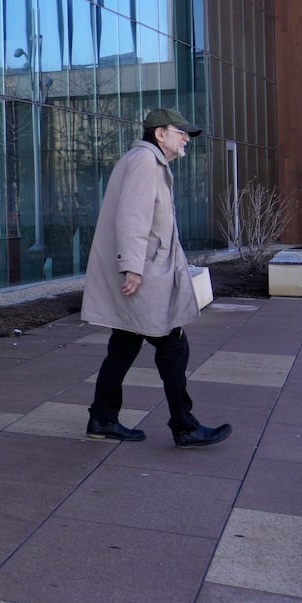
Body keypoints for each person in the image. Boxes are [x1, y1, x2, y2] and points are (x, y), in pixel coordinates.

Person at [81, 108, 230, 448]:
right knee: (172, 344)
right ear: (160, 134)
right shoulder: (145, 162)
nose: (186, 139)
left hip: (146, 271)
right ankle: (184, 425)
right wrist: (132, 267)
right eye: (182, 132)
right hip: (143, 276)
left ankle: (103, 418)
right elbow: (131, 218)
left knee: (124, 345)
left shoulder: (149, 163)